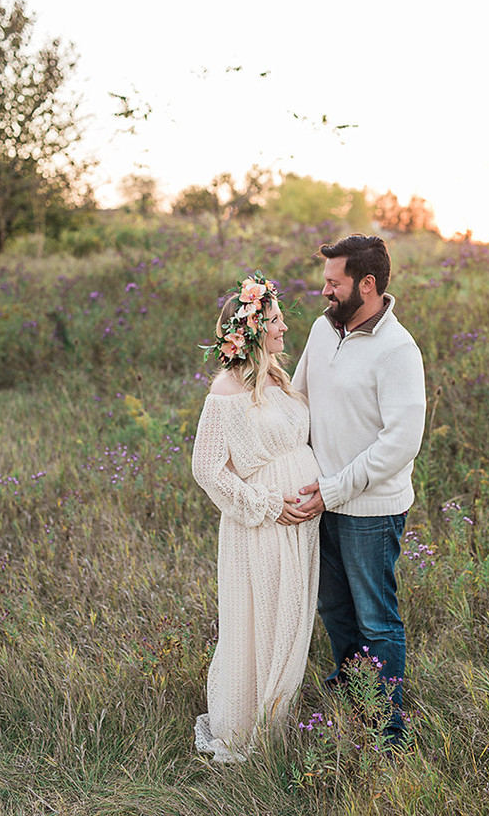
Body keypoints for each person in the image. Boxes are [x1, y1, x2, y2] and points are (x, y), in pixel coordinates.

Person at [291, 234, 426, 746]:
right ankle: (351, 693)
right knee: (335, 611)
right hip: (320, 498)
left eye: (334, 282)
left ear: (366, 285)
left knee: (375, 618)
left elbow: (401, 443)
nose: (324, 291)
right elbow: (297, 399)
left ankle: (385, 728)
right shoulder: (321, 332)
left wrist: (335, 489)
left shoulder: (398, 351)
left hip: (369, 509)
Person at [192, 271, 320, 763]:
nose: (285, 330)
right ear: (251, 329)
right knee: (265, 623)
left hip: (301, 525)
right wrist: (267, 505)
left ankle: (278, 723)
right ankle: (255, 732)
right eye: (277, 323)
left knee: (292, 622)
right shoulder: (226, 390)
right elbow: (207, 469)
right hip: (264, 526)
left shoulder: (277, 378)